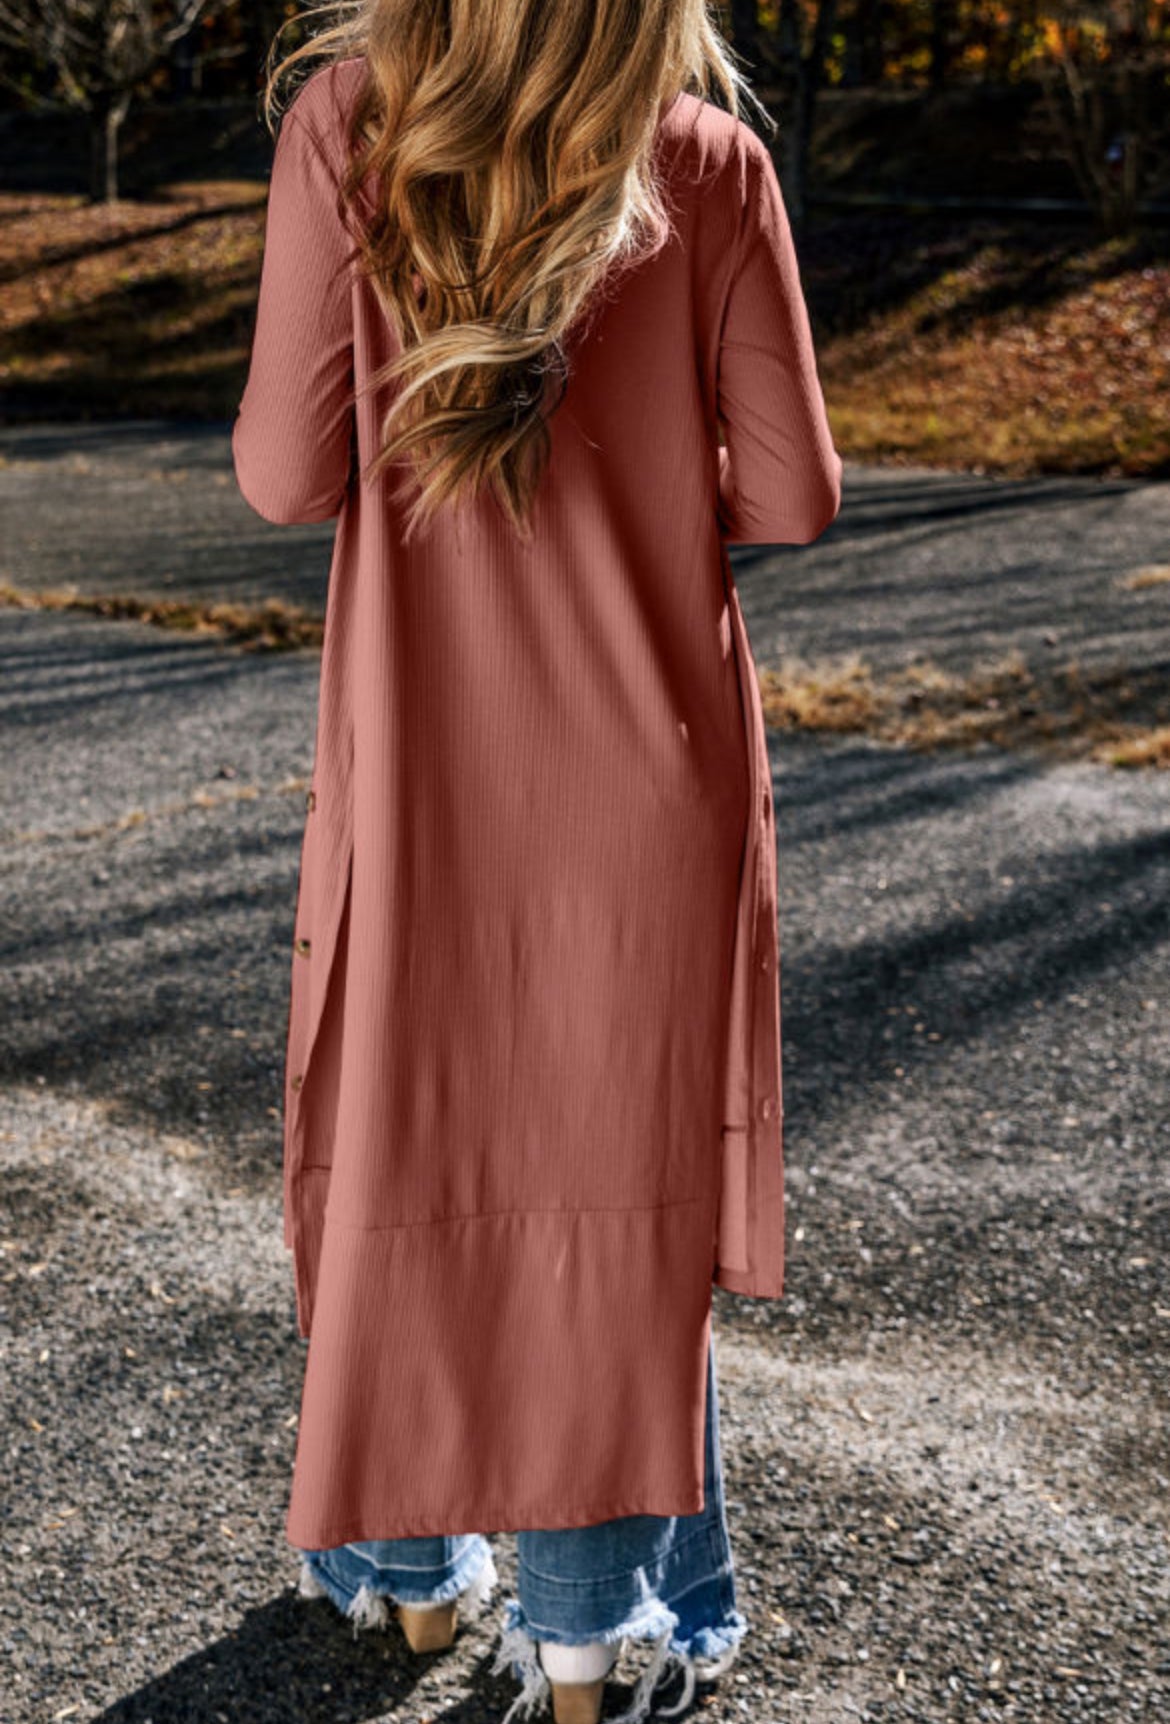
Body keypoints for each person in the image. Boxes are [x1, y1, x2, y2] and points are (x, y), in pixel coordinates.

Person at [231, 2, 842, 1720]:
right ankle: (584, 1636)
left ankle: (413, 1575)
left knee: (409, 1139)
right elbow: (790, 497)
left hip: (429, 765)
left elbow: (285, 474)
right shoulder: (707, 160)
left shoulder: (350, 124)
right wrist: (640, 460)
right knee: (611, 1186)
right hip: (647, 778)